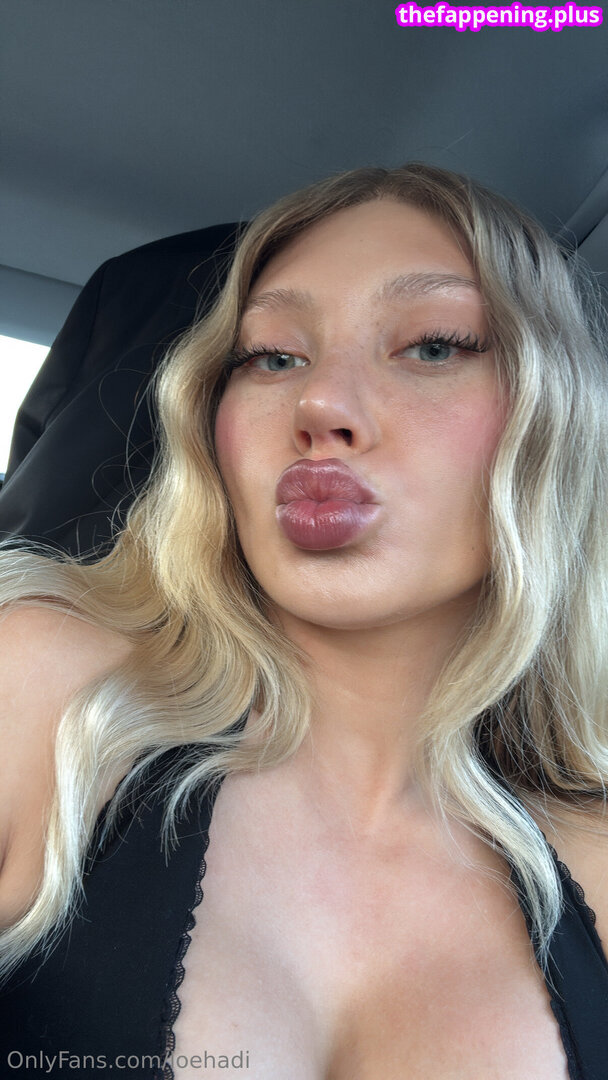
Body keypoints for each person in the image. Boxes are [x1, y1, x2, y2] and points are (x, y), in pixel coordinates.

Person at [0, 163, 607, 1080]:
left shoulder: (596, 854)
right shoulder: (49, 695)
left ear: (557, 419)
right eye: (273, 357)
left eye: (434, 345)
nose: (320, 405)